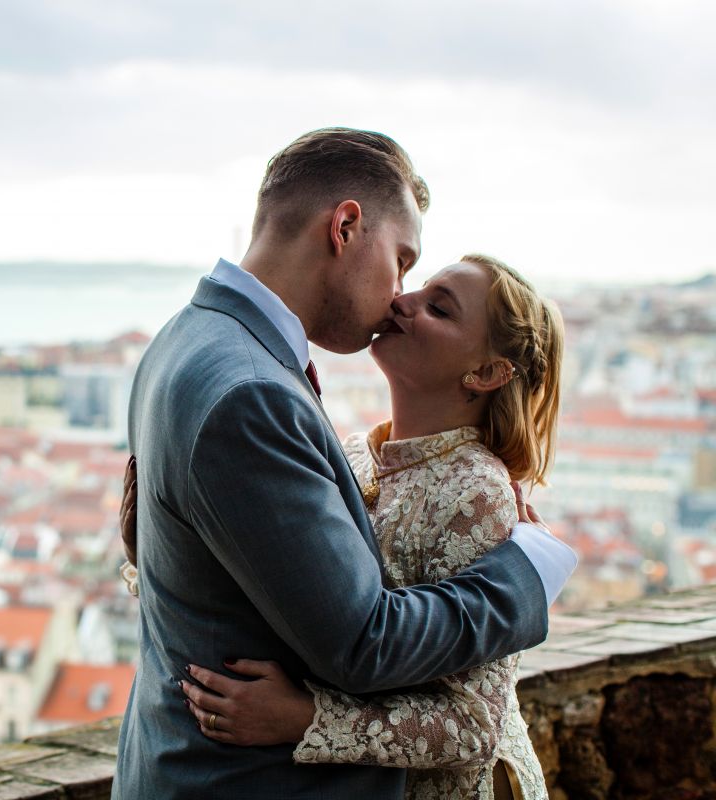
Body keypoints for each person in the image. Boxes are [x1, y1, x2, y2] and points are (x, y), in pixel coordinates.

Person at [111, 128, 577, 800]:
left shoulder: (191, 340)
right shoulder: (250, 391)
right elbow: (362, 642)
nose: (398, 295)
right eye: (402, 260)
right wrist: (524, 578)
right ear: (347, 227)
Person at [175, 254, 562, 799]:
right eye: (417, 289)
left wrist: (306, 718)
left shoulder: (479, 493)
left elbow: (476, 724)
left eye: (438, 308)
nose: (402, 301)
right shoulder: (358, 453)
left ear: (485, 373)